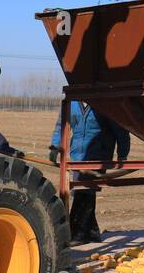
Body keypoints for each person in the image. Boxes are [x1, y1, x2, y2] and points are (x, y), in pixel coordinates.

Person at [49, 100, 130, 244]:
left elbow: (120, 129)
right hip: (77, 156)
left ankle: (77, 234)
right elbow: (61, 125)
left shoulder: (104, 102)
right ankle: (92, 233)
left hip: (98, 154)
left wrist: (122, 154)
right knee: (84, 192)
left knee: (84, 191)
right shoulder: (71, 102)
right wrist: (55, 146)